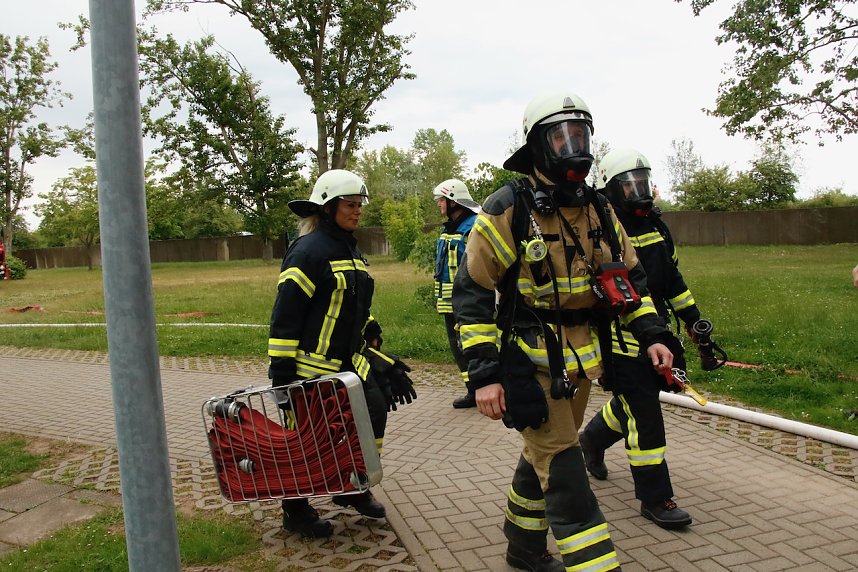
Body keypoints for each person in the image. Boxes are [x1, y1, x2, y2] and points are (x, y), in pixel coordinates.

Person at [452, 91, 676, 572]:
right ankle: (594, 564)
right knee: (562, 462)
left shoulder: (599, 209)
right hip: (530, 361)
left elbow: (630, 282)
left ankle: (524, 549)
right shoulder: (508, 208)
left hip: (582, 363)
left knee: (545, 453)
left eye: (581, 134)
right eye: (562, 136)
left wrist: (654, 335)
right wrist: (484, 374)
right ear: (538, 146)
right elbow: (471, 292)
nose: (574, 145)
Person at [579, 148, 710, 530]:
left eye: (643, 181)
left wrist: (693, 320)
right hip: (621, 336)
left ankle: (592, 441)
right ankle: (655, 499)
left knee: (637, 403)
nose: (639, 190)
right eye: (629, 183)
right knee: (646, 417)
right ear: (611, 188)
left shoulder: (654, 226)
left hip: (656, 331)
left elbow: (671, 282)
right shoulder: (603, 230)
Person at [267, 169, 388, 538]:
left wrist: (371, 328)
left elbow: (354, 302)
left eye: (359, 205)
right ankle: (295, 511)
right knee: (305, 439)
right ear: (328, 207)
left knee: (372, 412)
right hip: (308, 369)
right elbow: (285, 317)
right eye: (350, 205)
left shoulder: (351, 249)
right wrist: (282, 375)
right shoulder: (307, 252)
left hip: (349, 364)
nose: (357, 212)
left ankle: (351, 485)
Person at [431, 178, 481, 408]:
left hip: (467, 302)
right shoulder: (449, 229)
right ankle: (472, 389)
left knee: (471, 345)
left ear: (453, 201)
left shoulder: (472, 228)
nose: (439, 204)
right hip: (448, 302)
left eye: (442, 200)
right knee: (457, 347)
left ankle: (482, 388)